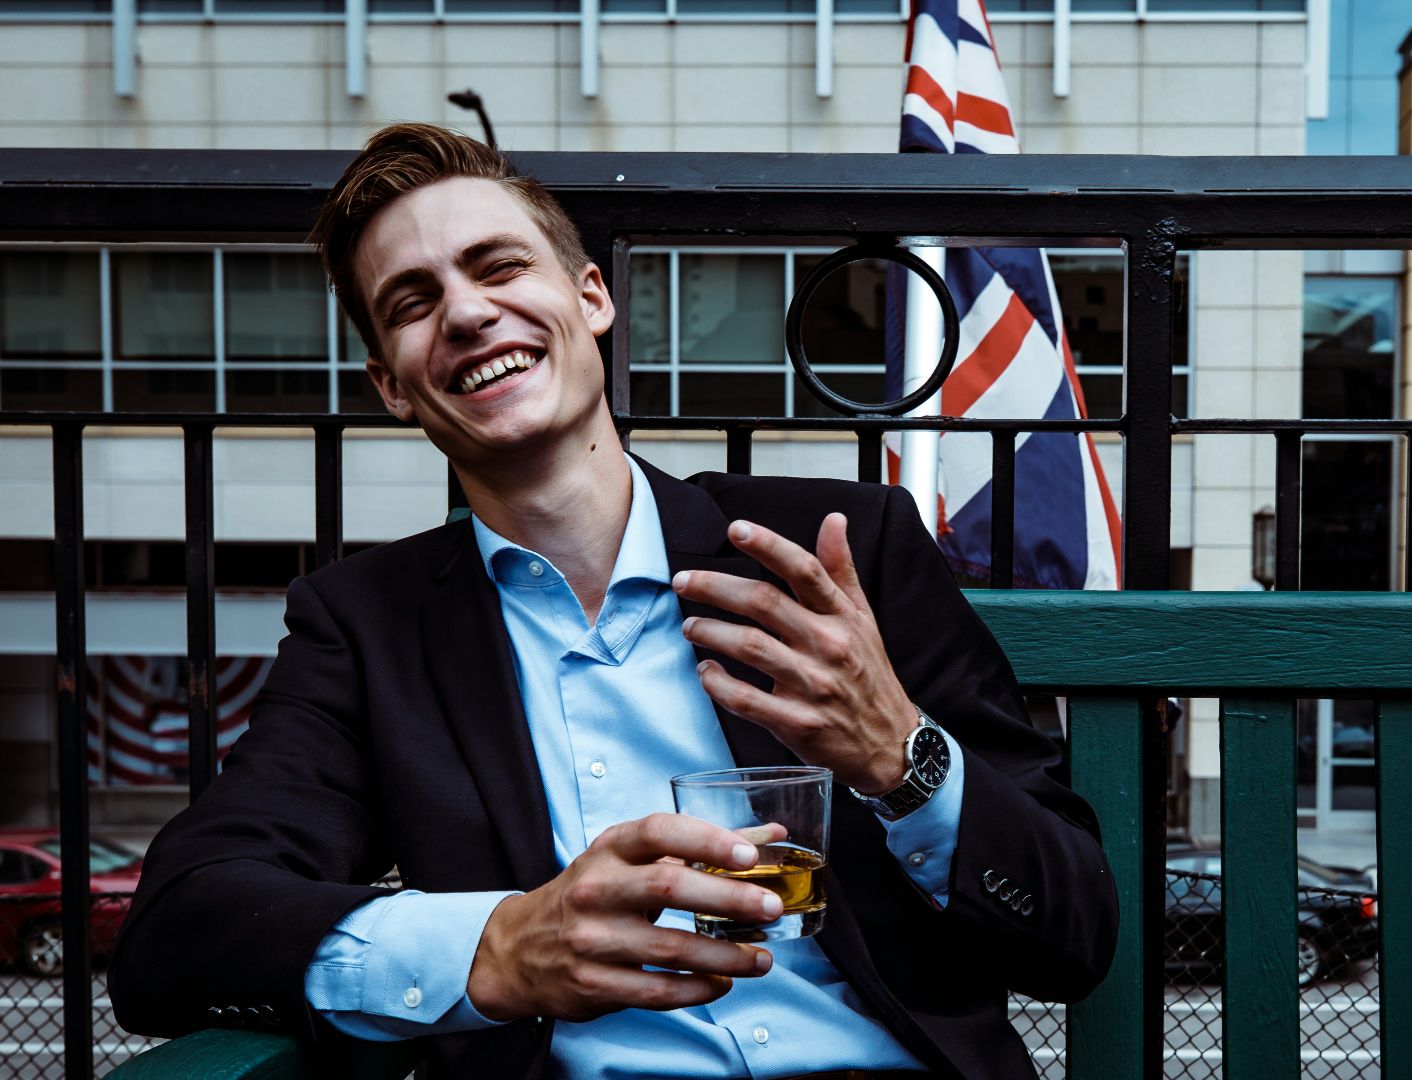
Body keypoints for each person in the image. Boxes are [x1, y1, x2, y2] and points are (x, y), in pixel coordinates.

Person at [109, 123, 1117, 1080]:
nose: (464, 312)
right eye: (413, 302)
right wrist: (497, 948)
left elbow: (1075, 931)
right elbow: (177, 931)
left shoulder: (840, 555)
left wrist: (903, 758)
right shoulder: (368, 629)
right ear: (392, 385)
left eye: (499, 267)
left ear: (591, 296)